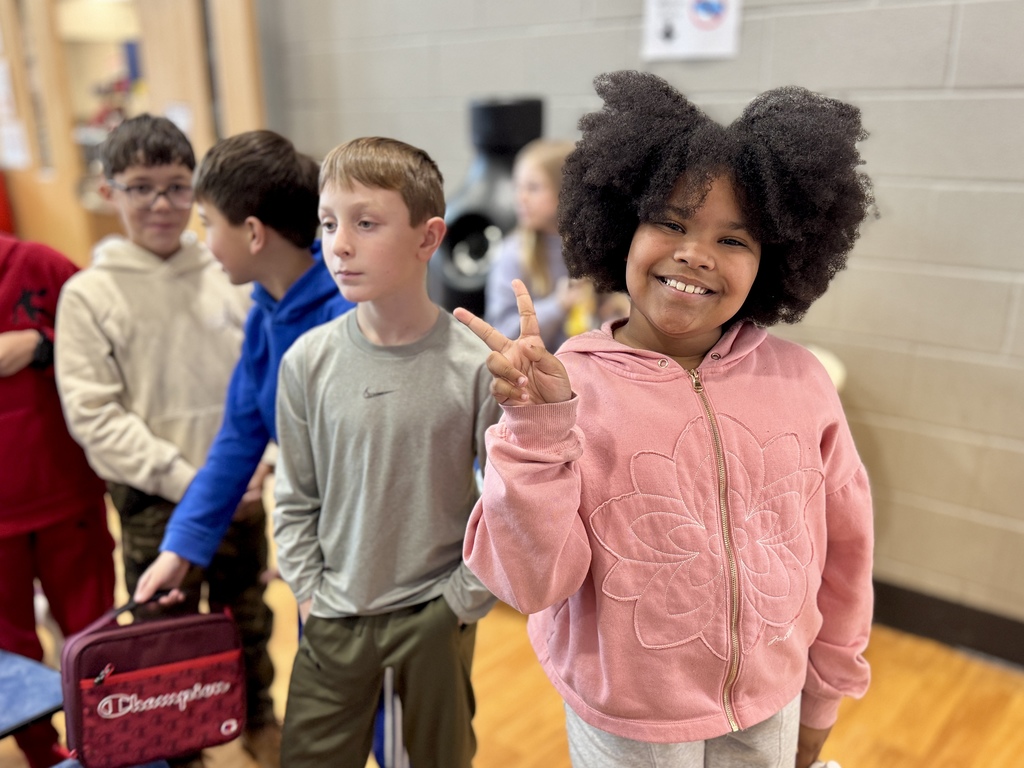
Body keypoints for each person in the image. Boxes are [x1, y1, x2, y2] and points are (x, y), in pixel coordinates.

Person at [454, 71, 875, 768]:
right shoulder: (569, 389)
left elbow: (846, 553)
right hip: (629, 721)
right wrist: (535, 431)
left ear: (777, 257)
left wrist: (823, 694)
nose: (695, 253)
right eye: (671, 223)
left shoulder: (802, 384)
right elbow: (529, 585)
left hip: (773, 699)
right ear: (619, 225)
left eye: (734, 240)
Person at [124, 128, 355, 767]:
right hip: (320, 562)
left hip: (371, 568)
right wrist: (180, 549)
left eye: (207, 223)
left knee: (379, 724)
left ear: (253, 234)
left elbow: (365, 468)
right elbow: (237, 439)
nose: (202, 238)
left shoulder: (345, 316)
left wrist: (316, 545)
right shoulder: (267, 308)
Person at [272, 136, 500, 768]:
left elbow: (512, 508)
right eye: (327, 223)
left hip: (430, 617)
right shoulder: (306, 362)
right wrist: (310, 594)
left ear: (428, 238)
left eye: (365, 223)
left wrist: (459, 601)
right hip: (329, 615)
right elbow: (294, 496)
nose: (338, 244)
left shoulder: (477, 365)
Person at [53, 115, 264, 768]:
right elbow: (96, 418)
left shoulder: (231, 274)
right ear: (108, 190)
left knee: (248, 622)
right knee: (163, 640)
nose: (162, 205)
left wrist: (266, 470)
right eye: (141, 187)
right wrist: (194, 481)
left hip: (246, 495)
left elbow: (270, 383)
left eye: (177, 187)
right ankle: (179, 752)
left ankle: (259, 726)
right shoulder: (90, 295)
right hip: (156, 500)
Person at [0, 235, 115, 768]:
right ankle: (42, 752)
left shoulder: (38, 264)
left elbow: (108, 338)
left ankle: (106, 739)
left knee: (92, 631)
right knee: (9, 650)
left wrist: (41, 344)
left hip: (66, 494)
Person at [484, 138, 588, 349]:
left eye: (533, 188)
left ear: (566, 193)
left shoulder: (592, 249)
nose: (520, 198)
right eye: (518, 187)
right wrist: (558, 306)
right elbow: (500, 332)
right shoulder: (513, 254)